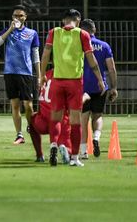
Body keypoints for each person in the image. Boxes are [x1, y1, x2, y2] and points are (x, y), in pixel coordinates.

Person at [39, 9, 105, 167]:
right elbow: (91, 58)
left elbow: (45, 54)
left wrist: (42, 75)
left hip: (57, 80)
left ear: (63, 20)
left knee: (55, 118)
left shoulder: (54, 32)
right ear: (79, 20)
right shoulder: (82, 34)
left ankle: (53, 145)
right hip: (74, 83)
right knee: (76, 121)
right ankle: (75, 158)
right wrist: (100, 79)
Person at [0, 4, 41, 145]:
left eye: (21, 15)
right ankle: (19, 134)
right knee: (14, 104)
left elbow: (35, 55)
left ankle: (31, 126)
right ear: (12, 17)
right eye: (15, 15)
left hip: (25, 73)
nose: (18, 18)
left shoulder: (32, 33)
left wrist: (39, 75)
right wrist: (10, 29)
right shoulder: (8, 32)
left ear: (25, 17)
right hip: (10, 72)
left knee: (28, 105)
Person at [79, 19, 118, 159]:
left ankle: (83, 151)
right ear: (94, 30)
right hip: (100, 87)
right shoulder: (104, 46)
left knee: (83, 119)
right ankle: (96, 137)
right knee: (98, 116)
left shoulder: (78, 45)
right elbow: (111, 68)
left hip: (83, 87)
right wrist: (113, 87)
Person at [27, 67, 72, 162]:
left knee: (31, 119)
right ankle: (65, 149)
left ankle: (40, 155)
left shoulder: (46, 75)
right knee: (68, 124)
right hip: (60, 122)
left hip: (43, 121)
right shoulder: (67, 77)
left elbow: (41, 98)